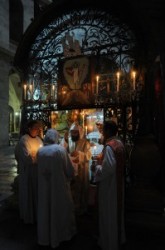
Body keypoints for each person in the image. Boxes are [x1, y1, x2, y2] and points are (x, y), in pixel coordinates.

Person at [36, 129, 77, 248]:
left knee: (46, 211)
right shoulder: (60, 150)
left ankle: (45, 237)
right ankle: (61, 235)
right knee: (60, 211)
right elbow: (69, 170)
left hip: (44, 188)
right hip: (59, 188)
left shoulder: (40, 151)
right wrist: (72, 176)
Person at [94, 120, 126, 250]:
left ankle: (109, 243)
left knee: (109, 214)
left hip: (110, 187)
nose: (102, 133)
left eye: (103, 131)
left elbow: (108, 168)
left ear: (107, 131)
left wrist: (97, 167)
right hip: (117, 184)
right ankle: (118, 239)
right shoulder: (119, 143)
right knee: (115, 213)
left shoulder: (109, 146)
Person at [16, 120, 43, 224]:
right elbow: (28, 159)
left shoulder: (39, 140)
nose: (37, 130)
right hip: (27, 172)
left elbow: (41, 153)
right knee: (28, 193)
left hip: (37, 172)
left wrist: (35, 155)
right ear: (29, 128)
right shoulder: (24, 140)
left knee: (35, 193)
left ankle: (36, 215)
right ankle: (27, 217)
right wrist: (37, 156)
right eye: (35, 128)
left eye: (38, 128)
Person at [62, 121, 92, 215]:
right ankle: (73, 207)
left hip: (82, 169)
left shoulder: (85, 143)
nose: (73, 134)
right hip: (72, 169)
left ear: (80, 132)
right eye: (72, 132)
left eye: (75, 132)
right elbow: (65, 152)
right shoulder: (69, 141)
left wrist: (79, 154)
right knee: (73, 188)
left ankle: (82, 208)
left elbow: (88, 155)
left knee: (82, 188)